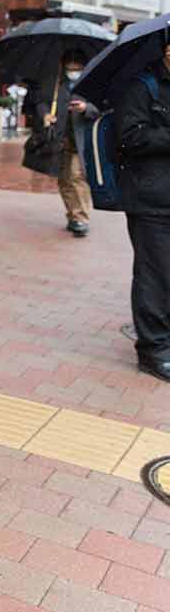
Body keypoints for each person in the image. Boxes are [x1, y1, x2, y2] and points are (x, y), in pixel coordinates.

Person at [116, 42, 170, 382]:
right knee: (155, 275)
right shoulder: (141, 87)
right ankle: (153, 350)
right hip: (150, 200)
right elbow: (128, 137)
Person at [48, 49, 100, 237]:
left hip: (82, 139)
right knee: (63, 179)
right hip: (61, 139)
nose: (73, 71)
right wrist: (47, 115)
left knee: (77, 176)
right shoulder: (57, 84)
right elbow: (41, 103)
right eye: (70, 68)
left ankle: (82, 218)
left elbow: (102, 107)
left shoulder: (92, 84)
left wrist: (85, 108)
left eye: (77, 68)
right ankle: (72, 215)